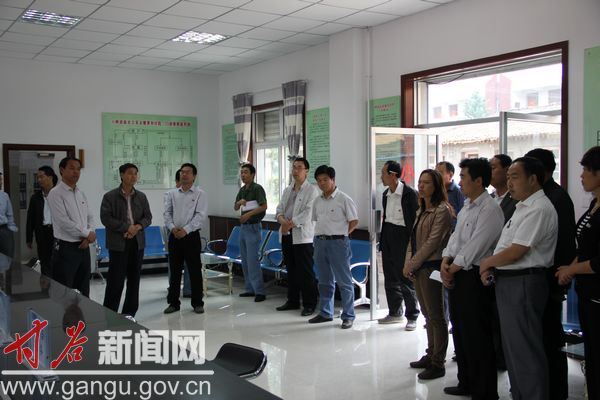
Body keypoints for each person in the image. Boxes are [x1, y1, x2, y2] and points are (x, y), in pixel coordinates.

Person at [479, 156, 558, 400]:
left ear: (533, 179)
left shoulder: (539, 208)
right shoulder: (522, 206)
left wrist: (487, 263)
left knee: (525, 350)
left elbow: (517, 251)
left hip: (524, 282)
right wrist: (492, 266)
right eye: (509, 177)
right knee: (514, 349)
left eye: (515, 177)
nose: (509, 183)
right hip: (509, 281)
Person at [441, 158, 504, 398]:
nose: (460, 182)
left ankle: (484, 391)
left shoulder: (490, 209)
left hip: (475, 278)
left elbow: (476, 246)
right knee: (460, 332)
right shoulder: (467, 206)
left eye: (463, 177)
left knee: (477, 336)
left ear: (478, 180)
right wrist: (446, 261)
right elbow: (455, 239)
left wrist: (452, 268)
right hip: (457, 274)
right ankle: (465, 382)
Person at [524, 148, 575, 400]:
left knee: (550, 340)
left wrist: (558, 284)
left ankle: (555, 392)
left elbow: (563, 244)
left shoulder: (555, 198)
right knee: (539, 340)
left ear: (539, 171)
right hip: (541, 279)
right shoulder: (542, 196)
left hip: (549, 279)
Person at [556, 146, 600, 400]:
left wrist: (572, 269)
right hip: (586, 291)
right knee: (591, 355)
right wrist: (571, 268)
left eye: (586, 170)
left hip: (597, 294)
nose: (581, 176)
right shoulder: (594, 203)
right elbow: (584, 249)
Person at [404, 169, 452, 380]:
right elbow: (413, 241)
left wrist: (412, 263)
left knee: (436, 315)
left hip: (432, 266)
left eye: (427, 183)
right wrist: (408, 263)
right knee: (427, 314)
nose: (421, 186)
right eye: (420, 182)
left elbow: (433, 242)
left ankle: (438, 362)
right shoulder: (422, 209)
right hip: (419, 266)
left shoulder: (442, 210)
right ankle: (430, 354)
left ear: (437, 186)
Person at [309, 165, 358, 329]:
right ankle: (325, 313)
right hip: (320, 242)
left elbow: (354, 221)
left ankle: (348, 315)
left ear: (333, 180)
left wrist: (342, 234)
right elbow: (315, 220)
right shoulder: (317, 201)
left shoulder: (344, 199)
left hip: (338, 243)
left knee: (344, 281)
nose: (322, 183)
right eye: (319, 181)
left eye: (325, 180)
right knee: (324, 280)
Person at [100, 163, 152, 318]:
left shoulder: (141, 197)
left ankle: (129, 313)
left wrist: (137, 227)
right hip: (118, 243)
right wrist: (127, 228)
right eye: (130, 173)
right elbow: (106, 218)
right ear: (122, 175)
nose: (133, 176)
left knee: (134, 280)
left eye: (135, 173)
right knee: (115, 280)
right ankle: (109, 313)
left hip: (137, 242)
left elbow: (148, 217)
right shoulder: (110, 196)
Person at [275, 157, 319, 316]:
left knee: (305, 271)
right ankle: (292, 301)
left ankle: (309, 304)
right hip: (286, 234)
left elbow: (308, 213)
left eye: (299, 167)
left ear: (306, 171)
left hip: (302, 237)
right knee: (291, 269)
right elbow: (279, 208)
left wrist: (290, 223)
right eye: (294, 167)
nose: (295, 170)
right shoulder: (287, 190)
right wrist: (282, 220)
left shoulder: (312, 190)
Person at [378, 160, 419, 330]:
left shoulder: (410, 194)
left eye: (383, 173)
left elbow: (414, 221)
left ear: (393, 175)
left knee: (405, 277)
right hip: (388, 234)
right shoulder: (385, 194)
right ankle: (395, 312)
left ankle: (412, 316)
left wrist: (413, 245)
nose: (381, 177)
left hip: (403, 237)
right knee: (390, 276)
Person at [47, 157, 96, 296]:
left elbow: (90, 217)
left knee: (83, 289)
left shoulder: (81, 193)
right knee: (63, 290)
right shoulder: (55, 193)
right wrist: (87, 234)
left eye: (78, 169)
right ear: (62, 170)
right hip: (65, 248)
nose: (76, 172)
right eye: (72, 168)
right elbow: (63, 221)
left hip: (83, 247)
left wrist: (89, 235)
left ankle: (82, 311)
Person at [163, 163, 207, 314]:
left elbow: (200, 216)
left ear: (194, 176)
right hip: (174, 235)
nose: (184, 174)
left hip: (191, 236)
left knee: (194, 270)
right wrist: (172, 228)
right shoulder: (172, 193)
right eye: (182, 172)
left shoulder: (200, 194)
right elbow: (167, 213)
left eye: (188, 172)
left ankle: (197, 303)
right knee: (174, 271)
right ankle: (173, 303)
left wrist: (186, 230)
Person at [234, 163, 268, 302]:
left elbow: (264, 206)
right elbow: (235, 206)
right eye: (241, 172)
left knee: (253, 260)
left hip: (253, 227)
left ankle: (259, 291)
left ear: (253, 174)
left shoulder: (257, 188)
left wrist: (248, 215)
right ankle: (250, 289)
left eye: (246, 172)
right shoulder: (242, 190)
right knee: (245, 260)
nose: (243, 175)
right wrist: (239, 203)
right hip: (243, 228)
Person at [26, 166, 58, 277]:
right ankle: (46, 285)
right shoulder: (35, 197)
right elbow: (30, 219)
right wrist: (29, 238)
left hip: (57, 233)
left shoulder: (60, 195)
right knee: (44, 262)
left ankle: (57, 285)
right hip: (42, 233)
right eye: (37, 177)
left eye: (41, 177)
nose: (39, 180)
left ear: (50, 177)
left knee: (57, 262)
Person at [490, 154, 518, 223]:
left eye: (493, 168)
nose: (488, 172)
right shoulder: (489, 198)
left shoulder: (517, 199)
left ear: (507, 170)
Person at [0, 171, 18, 258]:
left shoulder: (4, 196)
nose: (1, 182)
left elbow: (10, 215)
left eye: (1, 180)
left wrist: (10, 230)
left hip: (4, 231)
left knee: (7, 257)